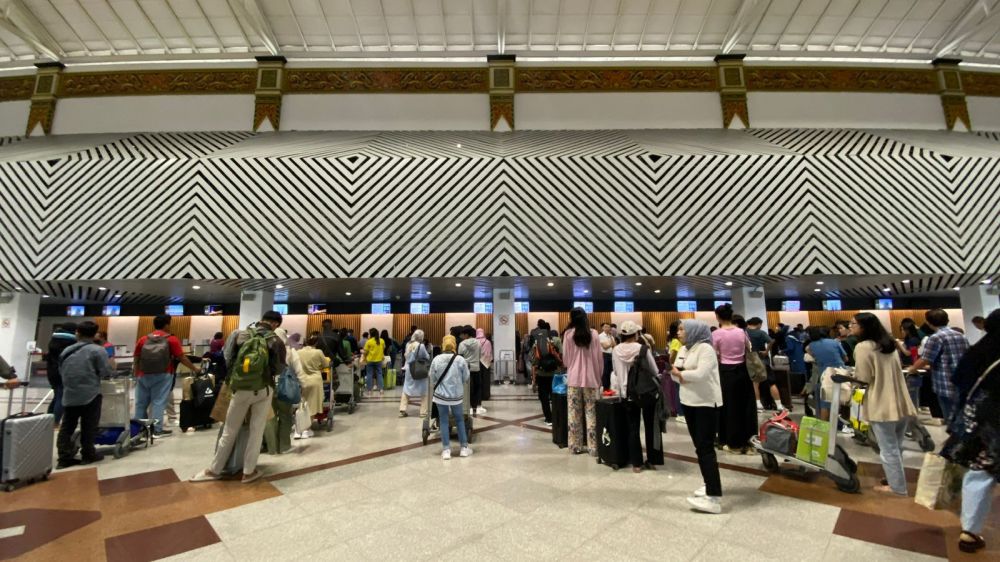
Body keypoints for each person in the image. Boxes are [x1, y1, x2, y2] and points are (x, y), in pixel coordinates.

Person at [191, 311, 286, 484]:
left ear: (261, 320)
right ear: (275, 324)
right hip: (264, 390)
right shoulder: (276, 341)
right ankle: (249, 472)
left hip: (239, 390)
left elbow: (227, 358)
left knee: (229, 429)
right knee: (256, 431)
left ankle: (214, 470)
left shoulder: (239, 335)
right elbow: (279, 368)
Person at [941, 309, 1000, 554]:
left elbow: (959, 380)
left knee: (979, 473)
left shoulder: (979, 351)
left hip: (983, 424)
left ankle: (970, 530)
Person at [850, 313, 916, 496]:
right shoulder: (889, 344)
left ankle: (897, 488)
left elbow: (863, 378)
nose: (850, 326)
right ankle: (894, 480)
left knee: (888, 449)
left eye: (853, 323)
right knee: (896, 445)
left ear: (864, 327)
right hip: (900, 400)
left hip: (881, 402)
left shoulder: (863, 347)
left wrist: (851, 382)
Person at [670, 319, 724, 514]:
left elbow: (701, 374)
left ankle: (714, 497)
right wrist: (680, 374)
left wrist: (682, 374)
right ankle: (707, 483)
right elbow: (674, 374)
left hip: (706, 403)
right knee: (699, 447)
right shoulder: (685, 349)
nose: (679, 332)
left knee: (705, 447)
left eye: (683, 329)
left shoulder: (705, 349)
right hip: (689, 402)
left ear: (693, 331)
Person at [54, 321, 111, 468]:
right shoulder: (98, 350)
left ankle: (64, 458)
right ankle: (88, 454)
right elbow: (105, 372)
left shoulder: (66, 351)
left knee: (67, 426)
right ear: (95, 334)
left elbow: (61, 371)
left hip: (70, 394)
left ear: (77, 332)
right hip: (91, 393)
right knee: (89, 425)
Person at [133, 315, 199, 437]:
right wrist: (195, 368)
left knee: (140, 403)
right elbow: (182, 358)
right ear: (167, 325)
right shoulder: (171, 339)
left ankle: (138, 429)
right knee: (158, 402)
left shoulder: (143, 339)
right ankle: (156, 430)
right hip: (163, 374)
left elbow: (136, 357)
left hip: (143, 374)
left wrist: (136, 373)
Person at [611, 321, 660, 473]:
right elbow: (654, 369)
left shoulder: (615, 350)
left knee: (633, 427)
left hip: (627, 393)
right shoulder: (643, 349)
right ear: (636, 334)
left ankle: (636, 463)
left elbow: (616, 372)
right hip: (645, 392)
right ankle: (651, 460)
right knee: (650, 425)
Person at [908, 309, 970, 422]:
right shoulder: (961, 336)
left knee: (951, 418)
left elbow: (925, 359)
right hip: (963, 382)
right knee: (962, 417)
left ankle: (956, 437)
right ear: (947, 320)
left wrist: (912, 369)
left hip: (945, 384)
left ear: (928, 322)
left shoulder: (936, 338)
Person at [712, 304, 755, 454]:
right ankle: (747, 439)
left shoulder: (717, 334)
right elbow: (749, 349)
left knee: (729, 407)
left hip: (726, 373)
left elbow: (713, 355)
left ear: (717, 317)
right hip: (743, 372)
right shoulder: (741, 332)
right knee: (744, 405)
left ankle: (732, 441)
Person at [561, 308, 603, 456]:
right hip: (591, 380)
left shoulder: (567, 335)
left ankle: (575, 446)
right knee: (591, 414)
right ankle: (593, 448)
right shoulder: (594, 334)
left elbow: (566, 360)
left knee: (573, 414)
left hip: (573, 380)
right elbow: (599, 360)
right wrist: (599, 378)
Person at [431, 335, 471, 460]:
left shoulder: (436, 359)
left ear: (443, 344)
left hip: (440, 396)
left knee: (443, 421)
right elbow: (466, 377)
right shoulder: (460, 360)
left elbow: (432, 378)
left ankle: (446, 450)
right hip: (456, 396)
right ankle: (464, 448)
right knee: (459, 420)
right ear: (454, 345)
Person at [805, 326, 848, 420]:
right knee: (843, 398)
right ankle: (843, 422)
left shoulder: (810, 346)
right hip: (840, 372)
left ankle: (824, 425)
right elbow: (845, 358)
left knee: (825, 400)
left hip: (824, 374)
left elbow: (815, 357)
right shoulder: (834, 342)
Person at [291, 332, 326, 440]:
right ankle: (306, 430)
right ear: (316, 343)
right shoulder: (318, 352)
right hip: (315, 380)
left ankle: (297, 430)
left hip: (301, 380)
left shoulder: (298, 352)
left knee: (301, 405)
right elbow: (325, 364)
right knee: (312, 406)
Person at [746, 317, 784, 412]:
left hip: (751, 361)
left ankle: (758, 405)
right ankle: (779, 405)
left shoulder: (744, 332)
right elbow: (771, 341)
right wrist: (766, 351)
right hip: (763, 360)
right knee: (771, 382)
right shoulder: (761, 332)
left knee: (755, 384)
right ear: (758, 324)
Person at [46, 323, 78, 427]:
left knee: (57, 396)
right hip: (63, 372)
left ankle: (48, 420)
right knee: (61, 397)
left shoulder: (54, 340)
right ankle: (55, 422)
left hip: (52, 372)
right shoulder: (71, 342)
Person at [532, 328, 563, 426]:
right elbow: (561, 357)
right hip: (555, 374)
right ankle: (557, 417)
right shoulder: (555, 342)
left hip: (542, 374)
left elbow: (534, 363)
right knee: (555, 396)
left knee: (543, 398)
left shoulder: (536, 344)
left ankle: (548, 418)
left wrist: (533, 380)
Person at [400, 330, 430, 418]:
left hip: (409, 369)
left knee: (406, 388)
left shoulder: (408, 344)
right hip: (419, 369)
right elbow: (426, 356)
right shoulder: (421, 346)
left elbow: (406, 355)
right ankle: (423, 412)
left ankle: (402, 409)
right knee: (424, 390)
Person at [458, 326, 484, 415]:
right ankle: (475, 408)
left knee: (466, 389)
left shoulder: (462, 344)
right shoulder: (478, 343)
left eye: (463, 334)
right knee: (476, 389)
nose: (462, 336)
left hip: (466, 369)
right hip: (476, 369)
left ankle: (466, 408)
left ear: (466, 334)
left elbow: (460, 358)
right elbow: (480, 356)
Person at [667, 320, 684, 423]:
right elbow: (672, 354)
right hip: (677, 367)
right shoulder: (676, 341)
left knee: (680, 390)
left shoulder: (676, 340)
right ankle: (681, 413)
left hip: (677, 367)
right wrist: (672, 364)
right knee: (679, 391)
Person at [363, 328, 385, 397]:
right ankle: (381, 390)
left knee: (369, 374)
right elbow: (383, 348)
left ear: (371, 334)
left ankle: (369, 390)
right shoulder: (381, 340)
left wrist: (362, 353)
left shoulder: (368, 342)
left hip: (370, 360)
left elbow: (365, 352)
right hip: (379, 360)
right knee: (379, 374)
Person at [476, 328, 494, 392]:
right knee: (486, 379)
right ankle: (486, 394)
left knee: (478, 379)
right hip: (486, 362)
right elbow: (490, 352)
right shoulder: (488, 342)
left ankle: (479, 394)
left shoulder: (475, 342)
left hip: (477, 362)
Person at [599, 322, 615, 390]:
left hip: (611, 355)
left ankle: (609, 387)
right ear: (603, 328)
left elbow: (615, 345)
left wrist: (611, 341)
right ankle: (605, 388)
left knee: (611, 371)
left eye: (608, 327)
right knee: (605, 372)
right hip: (604, 355)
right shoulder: (600, 336)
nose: (607, 328)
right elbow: (605, 347)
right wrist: (611, 344)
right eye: (605, 327)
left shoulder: (611, 336)